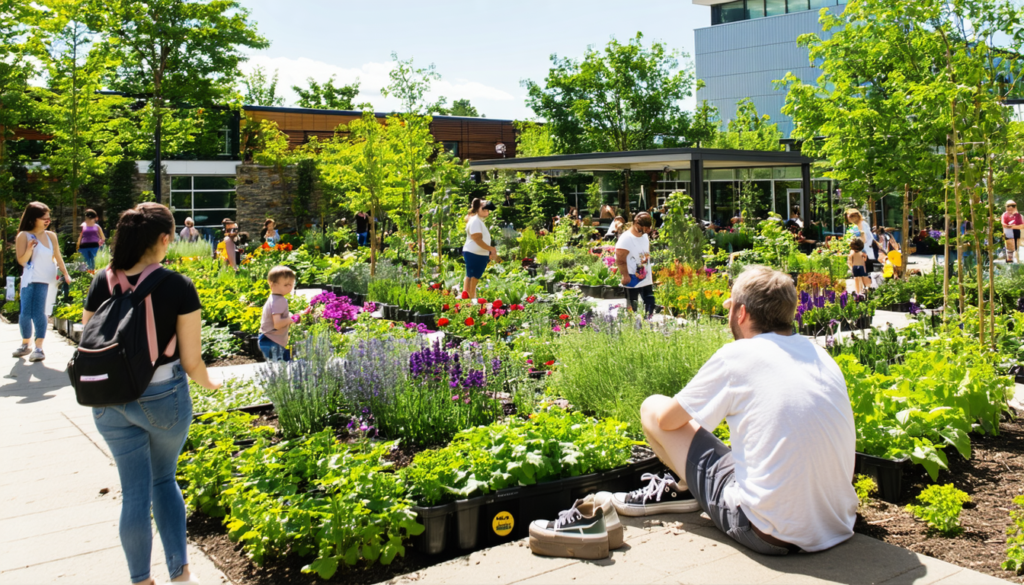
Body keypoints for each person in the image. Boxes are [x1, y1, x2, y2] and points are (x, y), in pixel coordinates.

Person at [631, 266, 856, 555]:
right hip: (836, 523)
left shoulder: (737, 356)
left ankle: (687, 489)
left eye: (732, 309)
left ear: (741, 314)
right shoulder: (819, 354)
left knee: (653, 407)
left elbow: (667, 421)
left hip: (767, 531)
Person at [82, 202, 220, 585]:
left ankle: (140, 580)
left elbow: (89, 339)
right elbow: (192, 361)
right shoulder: (177, 285)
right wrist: (211, 384)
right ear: (163, 239)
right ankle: (181, 573)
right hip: (162, 397)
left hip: (106, 400)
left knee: (134, 493)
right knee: (164, 481)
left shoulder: (101, 280)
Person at [13, 202, 72, 361]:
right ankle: (26, 343)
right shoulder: (24, 236)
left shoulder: (51, 235)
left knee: (40, 312)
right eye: (43, 217)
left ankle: (39, 347)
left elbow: (58, 257)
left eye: (48, 216)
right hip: (30, 279)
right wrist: (30, 249)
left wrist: (66, 274)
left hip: (47, 280)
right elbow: (22, 261)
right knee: (25, 313)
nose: (47, 219)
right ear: (33, 218)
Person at [616, 212, 655, 316]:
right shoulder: (626, 238)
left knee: (650, 303)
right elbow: (620, 259)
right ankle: (632, 326)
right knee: (633, 306)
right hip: (632, 279)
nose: (648, 230)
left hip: (645, 278)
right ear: (637, 225)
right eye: (646, 228)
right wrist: (625, 275)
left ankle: (648, 324)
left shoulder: (645, 236)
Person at [463, 199, 498, 299]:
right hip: (474, 253)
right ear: (478, 209)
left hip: (477, 253)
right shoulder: (475, 221)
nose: (487, 211)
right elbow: (477, 238)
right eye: (484, 208)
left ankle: (469, 298)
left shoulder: (477, 221)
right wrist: (490, 248)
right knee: (473, 277)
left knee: (472, 276)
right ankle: (471, 299)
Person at [259, 265, 295, 362]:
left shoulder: (274, 298)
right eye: (285, 284)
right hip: (273, 341)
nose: (289, 287)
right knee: (282, 369)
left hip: (267, 338)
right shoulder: (279, 300)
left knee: (276, 369)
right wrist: (291, 319)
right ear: (273, 285)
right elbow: (278, 324)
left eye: (291, 284)